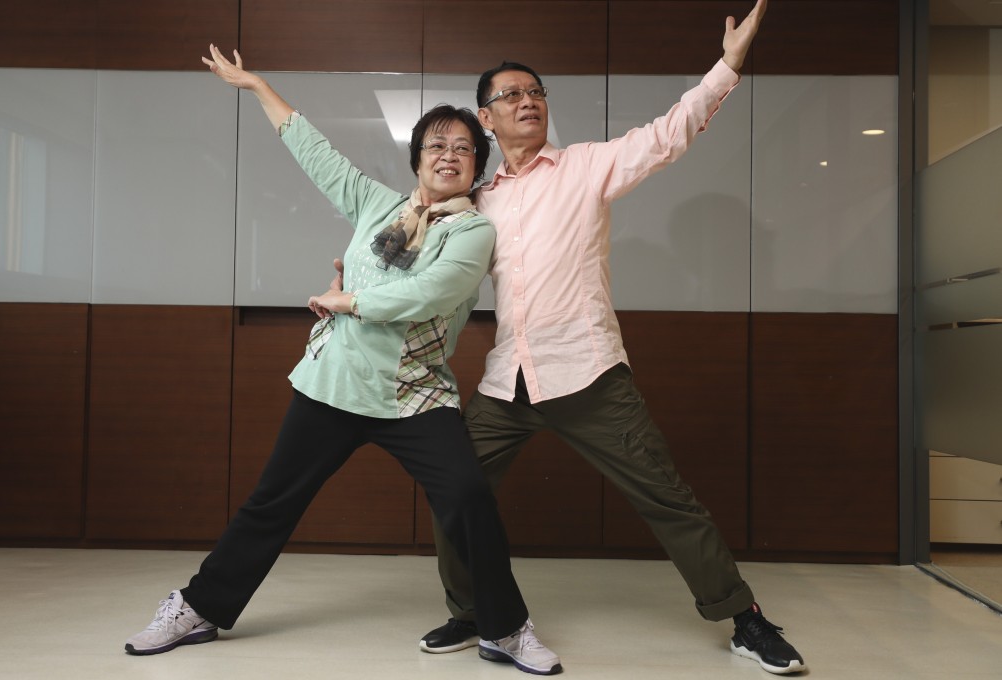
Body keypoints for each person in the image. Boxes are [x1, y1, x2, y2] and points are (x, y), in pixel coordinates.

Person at [122, 44, 563, 677]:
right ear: (417, 159)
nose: (448, 156)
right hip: (333, 383)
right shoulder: (376, 205)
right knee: (271, 503)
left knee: (468, 498)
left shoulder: (471, 232)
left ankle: (505, 629)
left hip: (413, 392)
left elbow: (429, 293)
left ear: (476, 167)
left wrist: (348, 299)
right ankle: (198, 608)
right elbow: (312, 149)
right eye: (437, 145)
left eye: (463, 149)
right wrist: (256, 85)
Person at [415, 0, 806, 675]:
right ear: (487, 117)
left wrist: (727, 65)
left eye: (535, 92)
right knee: (456, 489)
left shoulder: (587, 166)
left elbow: (669, 134)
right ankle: (473, 610)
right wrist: (357, 272)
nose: (528, 102)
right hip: (508, 380)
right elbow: (417, 249)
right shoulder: (478, 200)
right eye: (511, 96)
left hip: (589, 374)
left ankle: (744, 619)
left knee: (668, 497)